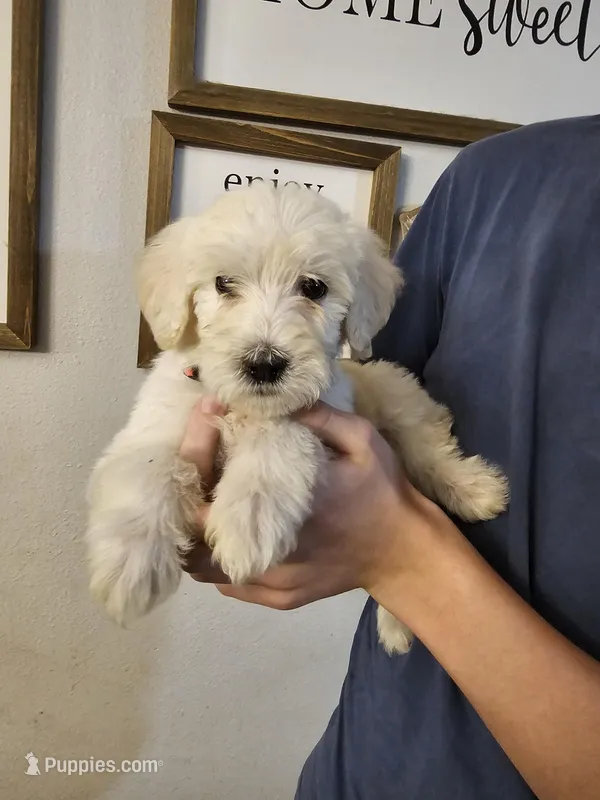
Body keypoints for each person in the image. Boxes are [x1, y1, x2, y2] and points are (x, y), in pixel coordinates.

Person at [180, 114, 600, 800]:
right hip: (365, 760)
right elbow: (360, 397)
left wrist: (400, 559)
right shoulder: (491, 178)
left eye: (310, 289)